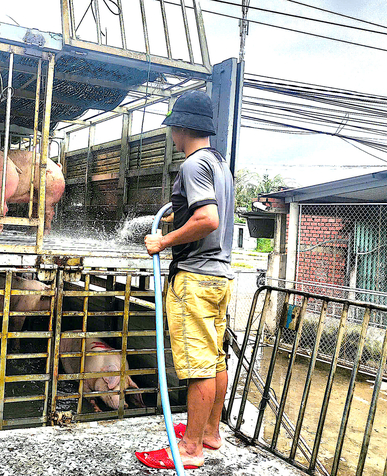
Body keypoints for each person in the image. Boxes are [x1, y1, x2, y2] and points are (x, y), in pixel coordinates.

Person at [143, 90, 234, 469]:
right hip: (220, 278)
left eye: (172, 129)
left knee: (197, 365)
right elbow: (207, 216)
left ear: (180, 128)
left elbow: (207, 219)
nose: (171, 137)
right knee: (214, 360)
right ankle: (211, 434)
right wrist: (177, 220)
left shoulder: (193, 165)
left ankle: (190, 449)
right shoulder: (220, 165)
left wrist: (163, 240)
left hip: (195, 279)